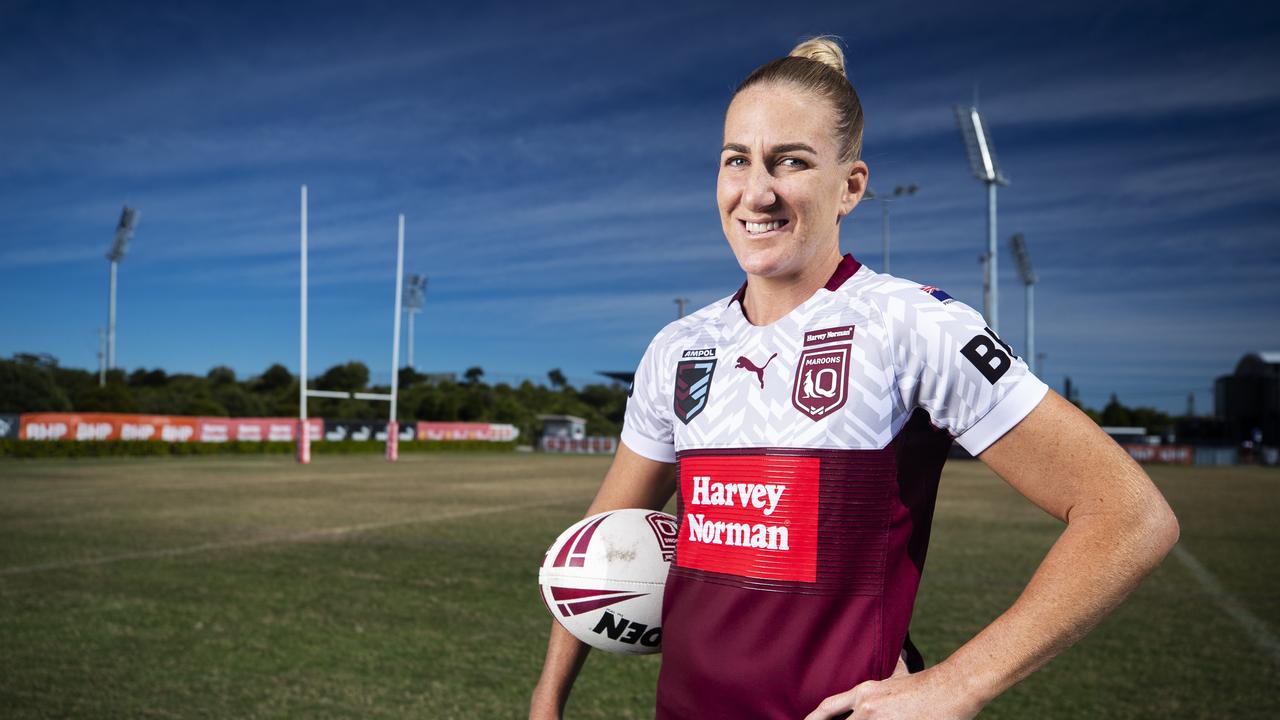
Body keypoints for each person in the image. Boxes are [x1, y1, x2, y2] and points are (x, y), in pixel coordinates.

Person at [529, 36, 1179, 719]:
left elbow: (1129, 515)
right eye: (736, 161)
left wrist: (959, 682)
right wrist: (547, 703)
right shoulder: (679, 349)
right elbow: (600, 537)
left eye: (792, 162)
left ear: (851, 187)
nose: (757, 191)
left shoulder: (912, 326)